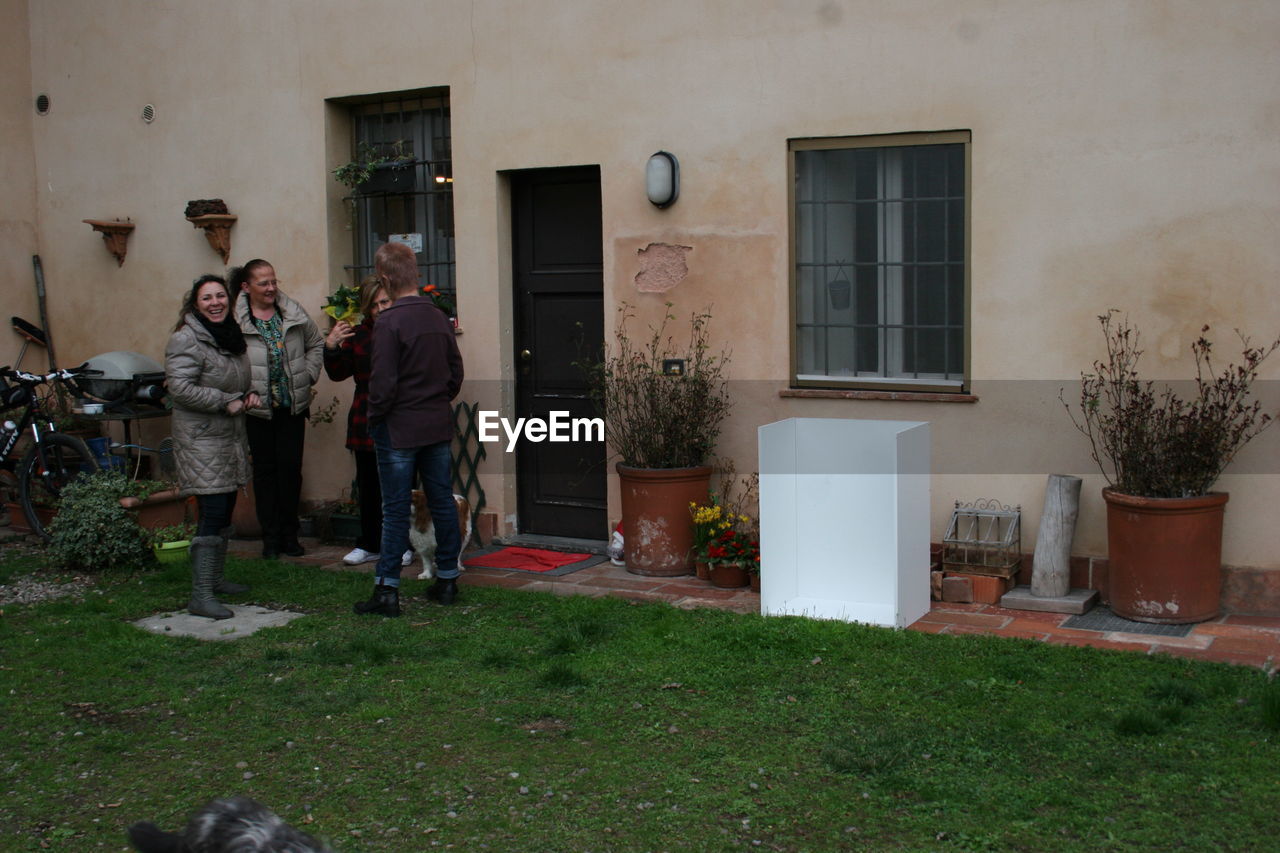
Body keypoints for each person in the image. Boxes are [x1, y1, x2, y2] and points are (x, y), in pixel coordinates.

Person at [355, 242, 464, 617]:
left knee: (395, 509)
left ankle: (387, 590)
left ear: (384, 278)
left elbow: (382, 384)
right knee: (441, 502)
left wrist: (376, 416)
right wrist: (435, 400)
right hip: (434, 422)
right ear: (416, 274)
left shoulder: (388, 321)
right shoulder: (437, 316)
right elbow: (455, 373)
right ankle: (447, 580)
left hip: (399, 426)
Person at [164, 275, 260, 619]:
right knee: (213, 511)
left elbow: (235, 380)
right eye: (207, 298)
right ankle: (200, 595)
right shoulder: (186, 339)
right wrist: (224, 401)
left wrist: (248, 395)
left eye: (221, 296)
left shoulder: (229, 336)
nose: (216, 302)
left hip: (228, 437)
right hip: (201, 438)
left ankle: (215, 580)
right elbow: (180, 388)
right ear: (195, 304)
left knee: (224, 508)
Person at [232, 259, 325, 559]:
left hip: (291, 407)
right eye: (263, 283)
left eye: (274, 281)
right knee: (265, 474)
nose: (271, 287)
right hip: (257, 411)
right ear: (247, 287)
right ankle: (270, 538)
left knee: (290, 471)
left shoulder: (292, 313)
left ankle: (290, 535)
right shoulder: (237, 321)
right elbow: (227, 361)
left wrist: (307, 375)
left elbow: (316, 344)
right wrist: (241, 391)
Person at [322, 276, 411, 568]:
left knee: (402, 485)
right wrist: (332, 347)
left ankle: (404, 545)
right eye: (374, 305)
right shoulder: (360, 335)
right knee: (370, 485)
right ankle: (369, 543)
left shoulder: (407, 329)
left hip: (402, 414)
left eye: (385, 301)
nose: (380, 308)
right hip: (366, 414)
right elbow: (338, 372)